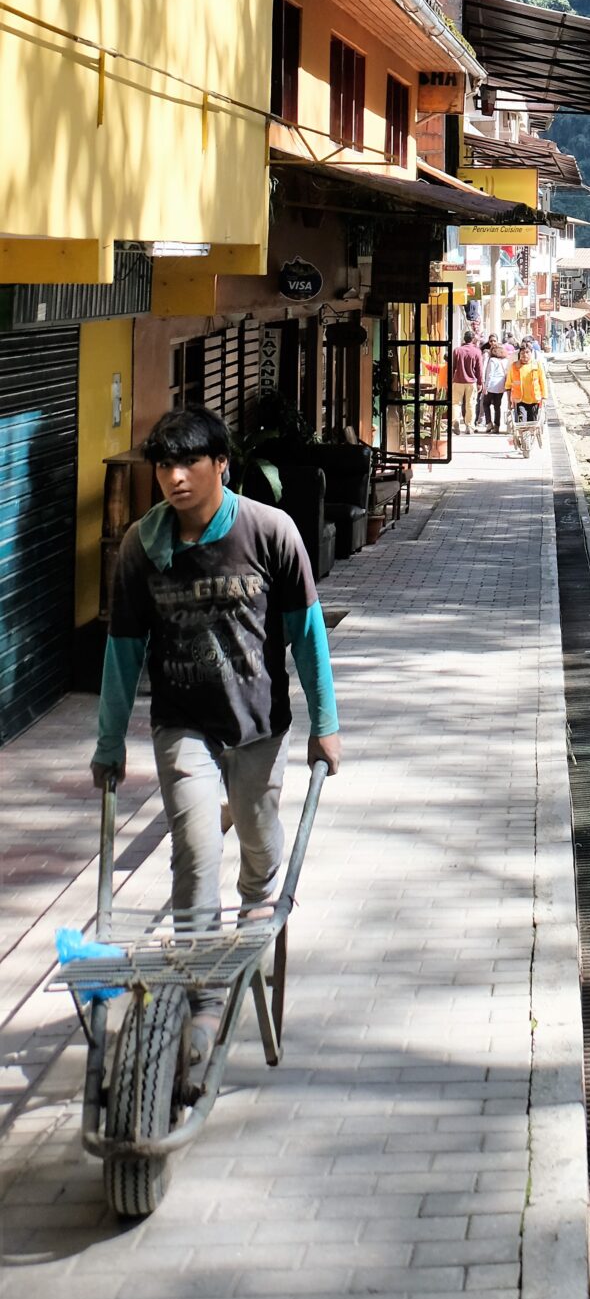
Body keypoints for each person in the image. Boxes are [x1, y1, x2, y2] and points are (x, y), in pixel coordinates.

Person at [90, 407, 340, 1083]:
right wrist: (109, 741)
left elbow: (307, 633)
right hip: (183, 726)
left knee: (259, 850)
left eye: (188, 465)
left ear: (220, 464)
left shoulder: (270, 533)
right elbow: (121, 651)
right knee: (195, 851)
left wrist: (327, 722)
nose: (174, 479)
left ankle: (256, 920)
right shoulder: (144, 546)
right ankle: (203, 1000)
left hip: (259, 725)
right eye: (164, 467)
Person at [452, 331, 482, 435]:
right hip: (471, 381)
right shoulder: (477, 351)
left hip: (458, 380)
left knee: (456, 403)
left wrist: (451, 379)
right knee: (471, 404)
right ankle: (469, 426)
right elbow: (479, 369)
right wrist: (480, 382)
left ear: (464, 339)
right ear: (473, 339)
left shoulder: (457, 351)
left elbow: (453, 367)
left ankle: (455, 421)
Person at [480, 336, 510, 433]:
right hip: (501, 386)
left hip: (492, 386)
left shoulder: (492, 360)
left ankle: (489, 423)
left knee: (486, 404)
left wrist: (486, 387)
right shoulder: (505, 360)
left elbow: (490, 374)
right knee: (497, 406)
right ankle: (497, 426)